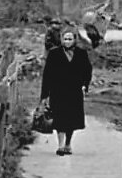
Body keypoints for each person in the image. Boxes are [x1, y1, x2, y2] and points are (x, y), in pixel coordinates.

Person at [39, 26, 92, 155]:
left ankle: (68, 143)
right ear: (61, 39)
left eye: (70, 39)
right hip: (58, 91)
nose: (67, 41)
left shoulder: (81, 53)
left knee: (71, 120)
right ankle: (61, 145)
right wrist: (45, 94)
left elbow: (87, 71)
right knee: (59, 118)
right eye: (65, 39)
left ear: (74, 39)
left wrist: (85, 85)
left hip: (74, 91)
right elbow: (47, 74)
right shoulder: (54, 53)